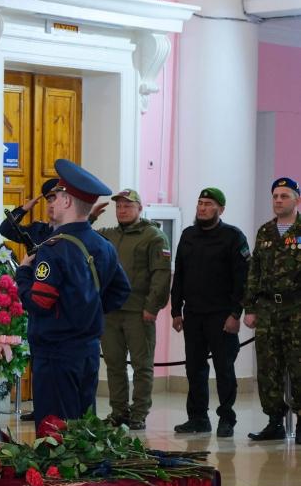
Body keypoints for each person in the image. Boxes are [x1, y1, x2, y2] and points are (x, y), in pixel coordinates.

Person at [15, 159, 131, 426]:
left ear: (68, 202)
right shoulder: (103, 245)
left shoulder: (53, 248)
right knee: (83, 427)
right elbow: (121, 290)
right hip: (88, 350)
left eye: (56, 197)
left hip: (55, 353)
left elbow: (40, 302)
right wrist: (86, 310)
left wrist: (22, 274)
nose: (51, 203)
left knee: (55, 432)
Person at [170, 187, 250, 438]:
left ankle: (226, 418)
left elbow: (242, 280)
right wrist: (176, 310)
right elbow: (179, 276)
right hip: (193, 314)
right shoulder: (188, 235)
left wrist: (236, 314)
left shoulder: (233, 237)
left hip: (221, 315)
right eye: (200, 203)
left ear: (220, 209)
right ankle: (198, 418)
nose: (202, 208)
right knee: (194, 369)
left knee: (224, 369)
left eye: (208, 204)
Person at [96, 188, 172, 431]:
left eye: (128, 206)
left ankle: (139, 414)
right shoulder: (108, 235)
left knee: (142, 366)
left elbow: (161, 275)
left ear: (140, 208)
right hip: (111, 311)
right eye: (119, 206)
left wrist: (152, 307)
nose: (122, 210)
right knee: (114, 364)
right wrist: (90, 217)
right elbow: (81, 236)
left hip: (139, 312)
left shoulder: (154, 236)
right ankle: (119, 411)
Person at [242, 177, 301, 441]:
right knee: (268, 366)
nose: (278, 201)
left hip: (297, 308)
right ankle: (274, 421)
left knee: (298, 365)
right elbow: (254, 272)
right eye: (275, 196)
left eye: (284, 196)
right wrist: (250, 307)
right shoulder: (265, 231)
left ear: (296, 200)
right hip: (268, 309)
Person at [0, 178, 60, 249]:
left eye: (56, 201)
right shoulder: (37, 230)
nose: (52, 205)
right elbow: (5, 229)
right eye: (49, 201)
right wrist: (23, 209)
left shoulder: (71, 232)